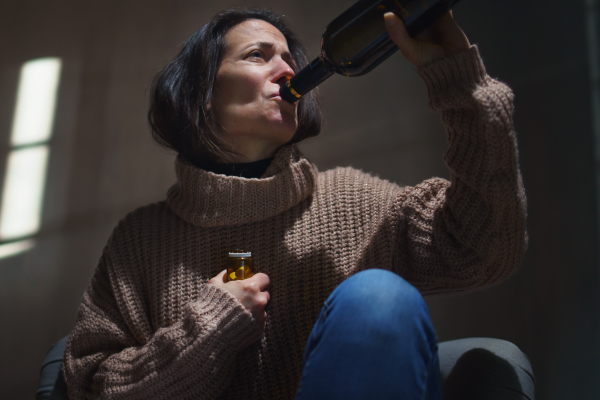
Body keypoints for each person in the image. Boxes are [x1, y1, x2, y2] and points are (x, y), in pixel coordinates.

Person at [62, 6, 532, 400]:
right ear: (202, 96)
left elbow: (484, 248)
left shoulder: (353, 200)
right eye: (257, 55)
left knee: (378, 298)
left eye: (289, 58)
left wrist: (459, 80)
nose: (288, 70)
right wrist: (207, 328)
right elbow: (89, 384)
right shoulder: (140, 242)